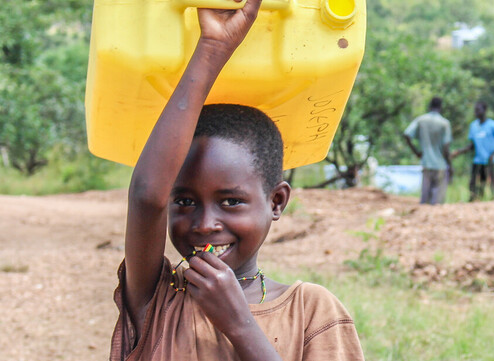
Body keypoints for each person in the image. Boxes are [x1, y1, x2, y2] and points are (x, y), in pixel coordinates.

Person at [110, 2, 364, 360]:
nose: (205, 224)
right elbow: (147, 197)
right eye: (183, 201)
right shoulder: (156, 297)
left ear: (276, 202)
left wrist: (238, 323)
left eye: (230, 201)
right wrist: (212, 48)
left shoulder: (312, 312)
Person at [452, 101, 494, 202]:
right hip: (478, 160)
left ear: (484, 111)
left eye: (478, 110)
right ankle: (474, 202)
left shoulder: (493, 125)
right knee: (475, 185)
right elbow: (472, 145)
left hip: (492, 161)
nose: (476, 113)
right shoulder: (473, 126)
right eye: (475, 111)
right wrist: (459, 151)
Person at [403, 97, 453, 205]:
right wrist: (450, 165)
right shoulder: (445, 123)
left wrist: (416, 152)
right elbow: (446, 147)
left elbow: (407, 134)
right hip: (440, 165)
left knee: (425, 200)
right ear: (440, 107)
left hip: (426, 162)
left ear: (430, 106)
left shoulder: (421, 120)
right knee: (437, 201)